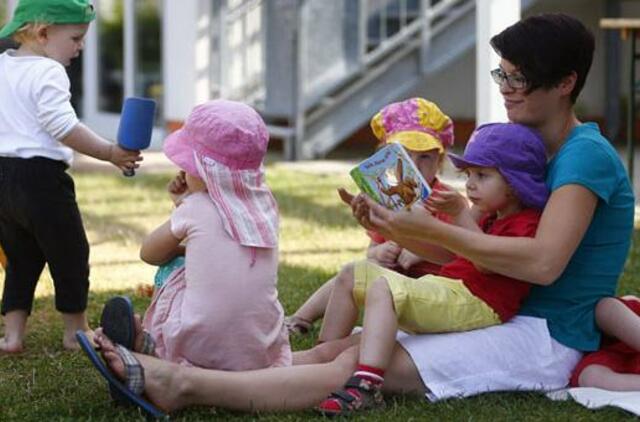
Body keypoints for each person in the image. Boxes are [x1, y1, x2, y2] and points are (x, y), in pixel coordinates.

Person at [88, 13, 634, 416]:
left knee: (353, 366)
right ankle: (177, 363)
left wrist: (423, 229)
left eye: (519, 79)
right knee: (338, 347)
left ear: (565, 84)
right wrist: (396, 226)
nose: (507, 90)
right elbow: (481, 251)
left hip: (544, 334)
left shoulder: (584, 157)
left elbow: (541, 264)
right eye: (503, 76)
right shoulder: (533, 151)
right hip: (496, 309)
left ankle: (181, 384)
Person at [317, 122, 549, 415]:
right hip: (451, 289)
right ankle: (325, 352)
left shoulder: (525, 223)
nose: (470, 184)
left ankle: (367, 386)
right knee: (354, 272)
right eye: (468, 175)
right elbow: (452, 254)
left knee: (385, 288)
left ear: (515, 183)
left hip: (479, 303)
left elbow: (484, 262)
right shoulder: (492, 216)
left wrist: (460, 213)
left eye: (482, 175)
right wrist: (379, 222)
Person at [0, 0, 141, 353]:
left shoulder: (2, 67)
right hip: (41, 180)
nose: (80, 47)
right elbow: (63, 126)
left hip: (2, 178)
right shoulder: (48, 72)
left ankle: (13, 336)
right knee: (70, 253)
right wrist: (110, 152)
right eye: (76, 38)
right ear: (43, 32)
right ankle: (75, 332)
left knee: (20, 257)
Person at [125, 99, 290, 370]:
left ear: (204, 170)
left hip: (197, 347)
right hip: (258, 347)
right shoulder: (265, 208)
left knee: (171, 267)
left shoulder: (196, 206)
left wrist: (181, 206)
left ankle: (152, 340)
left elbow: (150, 254)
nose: (183, 170)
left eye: (188, 164)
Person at [286, 97, 466, 336]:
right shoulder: (387, 199)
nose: (414, 164)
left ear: (440, 161)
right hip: (392, 284)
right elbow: (372, 251)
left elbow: (463, 254)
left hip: (433, 290)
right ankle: (301, 319)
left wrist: (420, 250)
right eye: (404, 155)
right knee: (357, 268)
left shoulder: (447, 200)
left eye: (426, 157)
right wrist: (379, 253)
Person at [570, 295, 640, 390]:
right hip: (631, 323)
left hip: (620, 362)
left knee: (590, 377)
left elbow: (590, 377)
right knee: (607, 307)